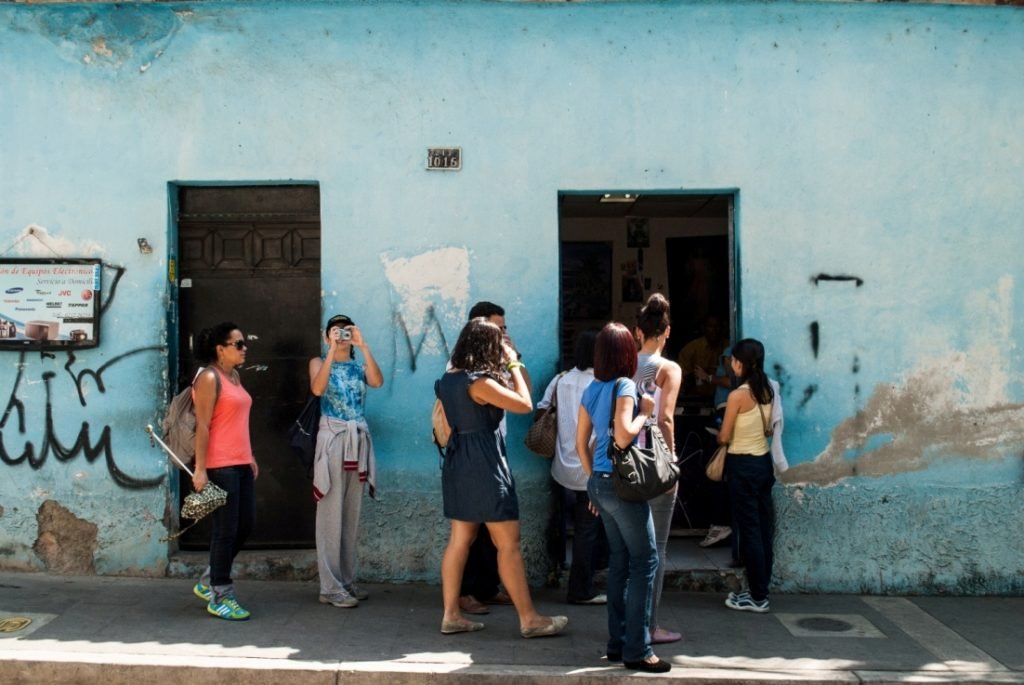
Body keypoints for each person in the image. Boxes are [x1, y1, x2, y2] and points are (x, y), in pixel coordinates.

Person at [436, 317, 568, 638]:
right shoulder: (479, 383)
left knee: (459, 540)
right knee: (508, 545)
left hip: (458, 462)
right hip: (485, 464)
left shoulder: (448, 380)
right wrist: (512, 362)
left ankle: (451, 614)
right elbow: (524, 403)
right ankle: (530, 619)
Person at [577, 322, 672, 673]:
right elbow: (621, 437)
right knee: (645, 562)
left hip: (601, 484)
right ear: (627, 354)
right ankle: (638, 649)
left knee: (619, 563)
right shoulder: (625, 386)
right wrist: (645, 412)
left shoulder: (592, 388)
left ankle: (617, 643)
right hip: (622, 486)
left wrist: (593, 482)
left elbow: (580, 444)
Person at [309, 314, 383, 608]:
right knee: (330, 512)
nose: (342, 335)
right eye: (336, 330)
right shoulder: (319, 361)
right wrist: (330, 352)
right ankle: (329, 587)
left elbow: (377, 381)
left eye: (346, 330)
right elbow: (317, 388)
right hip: (333, 439)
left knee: (350, 514)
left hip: (357, 440)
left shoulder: (359, 365)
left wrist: (363, 347)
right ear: (327, 334)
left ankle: (346, 581)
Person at [454, 301, 523, 615]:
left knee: (481, 535)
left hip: (492, 450)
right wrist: (510, 365)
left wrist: (513, 359)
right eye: (499, 328)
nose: (504, 334)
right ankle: (465, 594)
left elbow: (524, 392)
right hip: (476, 457)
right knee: (473, 534)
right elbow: (524, 402)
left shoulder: (489, 366)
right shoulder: (466, 372)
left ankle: (485, 588)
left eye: (505, 328)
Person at [191, 322, 257, 621]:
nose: (244, 349)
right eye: (238, 344)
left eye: (243, 344)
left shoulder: (234, 376)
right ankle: (220, 594)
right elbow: (203, 425)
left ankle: (210, 579)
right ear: (220, 349)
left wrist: (251, 456)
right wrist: (200, 469)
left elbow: (237, 420)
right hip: (220, 465)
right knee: (225, 531)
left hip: (241, 463)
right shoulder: (208, 378)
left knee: (244, 526)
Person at [537, 330, 606, 605]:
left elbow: (541, 411)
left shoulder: (561, 379)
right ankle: (580, 588)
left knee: (572, 525)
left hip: (561, 466)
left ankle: (570, 573)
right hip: (589, 468)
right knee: (587, 529)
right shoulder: (601, 385)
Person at [633, 294, 683, 644]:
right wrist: (672, 460)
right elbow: (664, 418)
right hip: (654, 461)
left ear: (638, 332)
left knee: (629, 549)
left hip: (624, 461)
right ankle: (649, 626)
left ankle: (627, 625)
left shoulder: (622, 364)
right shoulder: (668, 369)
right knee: (657, 548)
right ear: (666, 332)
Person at [717, 338, 776, 613]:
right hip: (763, 463)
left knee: (750, 531)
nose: (730, 363)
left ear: (740, 362)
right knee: (764, 529)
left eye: (732, 359)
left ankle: (757, 596)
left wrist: (719, 435)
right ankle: (759, 590)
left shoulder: (738, 395)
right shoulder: (767, 389)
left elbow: (725, 435)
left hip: (742, 465)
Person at [677, 315, 727, 398]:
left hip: (723, 397)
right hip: (696, 397)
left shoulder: (728, 346)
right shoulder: (691, 349)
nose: (714, 330)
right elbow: (681, 376)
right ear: (703, 328)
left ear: (722, 328)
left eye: (717, 326)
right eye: (710, 326)